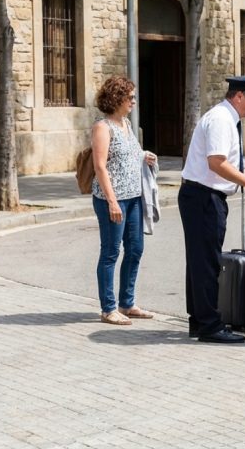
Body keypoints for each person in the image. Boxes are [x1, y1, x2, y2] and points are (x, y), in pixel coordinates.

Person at [180, 76, 245, 344]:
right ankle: (210, 325)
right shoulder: (222, 120)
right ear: (239, 96)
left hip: (204, 196)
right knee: (207, 263)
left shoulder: (228, 118)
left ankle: (200, 320)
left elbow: (234, 162)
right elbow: (217, 163)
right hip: (203, 197)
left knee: (200, 262)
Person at [91, 76, 157, 325]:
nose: (134, 101)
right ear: (116, 98)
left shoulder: (126, 124)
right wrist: (112, 201)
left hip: (134, 197)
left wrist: (144, 156)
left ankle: (127, 303)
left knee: (136, 249)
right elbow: (100, 166)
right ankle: (108, 308)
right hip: (113, 199)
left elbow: (129, 153)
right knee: (110, 252)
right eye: (130, 97)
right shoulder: (102, 127)